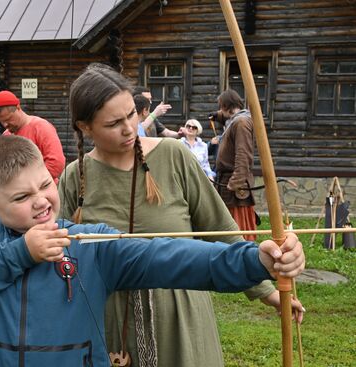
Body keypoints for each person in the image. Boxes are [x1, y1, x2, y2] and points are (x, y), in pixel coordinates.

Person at [0, 135, 305, 366]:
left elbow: (172, 258)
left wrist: (256, 259)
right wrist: (21, 253)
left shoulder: (91, 243)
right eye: (23, 197)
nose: (42, 201)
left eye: (45, 185)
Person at [59, 63, 305, 367]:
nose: (128, 128)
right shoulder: (75, 177)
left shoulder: (173, 155)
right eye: (113, 123)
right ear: (85, 126)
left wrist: (267, 290)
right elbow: (59, 255)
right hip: (109, 321)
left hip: (179, 316)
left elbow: (220, 228)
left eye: (131, 115)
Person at [0, 90, 65, 183]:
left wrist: (28, 184)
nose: (5, 125)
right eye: (1, 121)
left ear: (18, 107)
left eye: (8, 119)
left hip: (42, 192)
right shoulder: (6, 136)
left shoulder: (41, 127)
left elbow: (56, 163)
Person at [214, 90, 257, 241]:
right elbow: (225, 119)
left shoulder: (241, 122)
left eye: (221, 107)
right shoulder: (235, 120)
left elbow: (243, 154)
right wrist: (217, 116)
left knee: (238, 234)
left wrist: (236, 182)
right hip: (227, 181)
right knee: (228, 233)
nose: (220, 111)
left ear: (226, 106)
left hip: (235, 186)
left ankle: (243, 262)